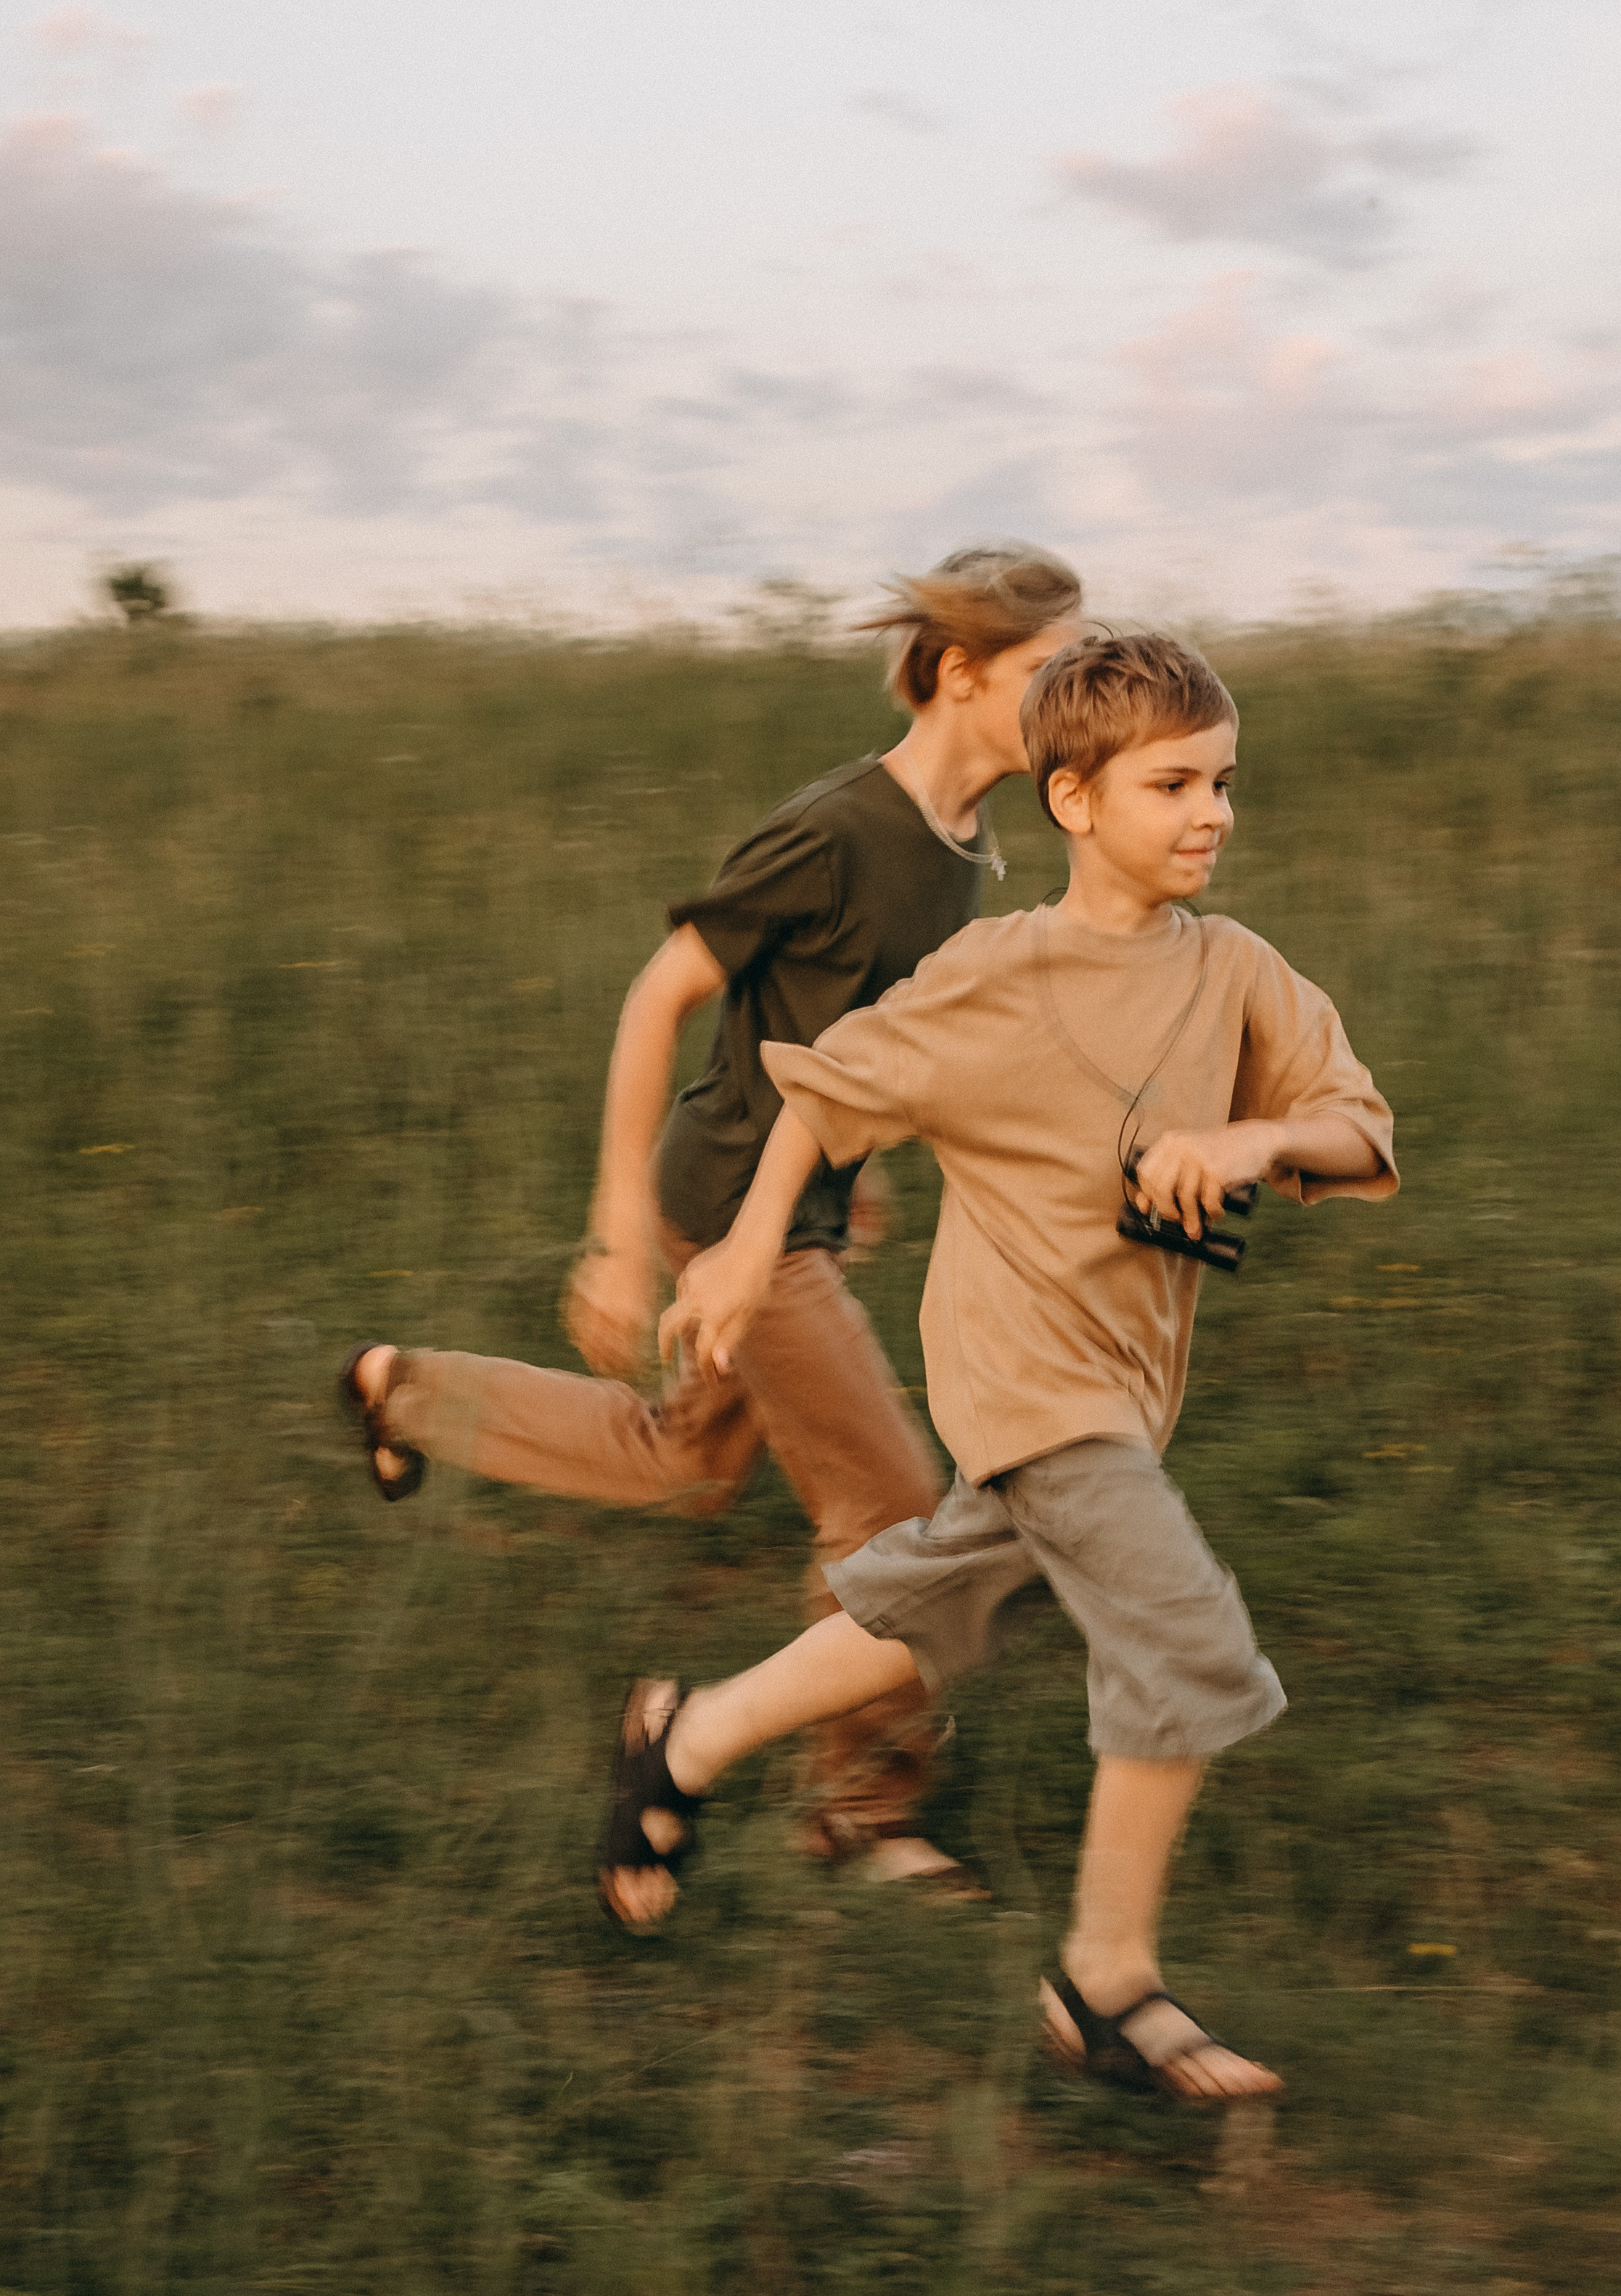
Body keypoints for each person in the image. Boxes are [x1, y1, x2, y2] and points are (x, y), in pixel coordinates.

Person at [597, 632, 1398, 2103]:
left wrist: (1258, 1137)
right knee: (1180, 1636)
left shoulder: (1237, 975)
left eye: (1222, 781)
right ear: (1073, 799)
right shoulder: (996, 972)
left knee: (940, 1594)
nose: (1210, 811)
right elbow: (823, 1097)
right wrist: (738, 1247)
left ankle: (682, 1736)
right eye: (1171, 785)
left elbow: (1360, 1124)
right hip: (1029, 1387)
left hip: (1122, 1390)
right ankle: (1104, 1982)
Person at [339, 544, 1084, 1889]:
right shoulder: (839, 829)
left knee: (679, 1461)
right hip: (732, 1214)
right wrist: (621, 1235)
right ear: (961, 674)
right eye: (1049, 676)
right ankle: (859, 1809)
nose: (1072, 703)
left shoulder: (964, 840)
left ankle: (406, 1394)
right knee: (899, 1514)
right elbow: (658, 994)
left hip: (796, 1209)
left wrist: (868, 1166)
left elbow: (861, 1030)